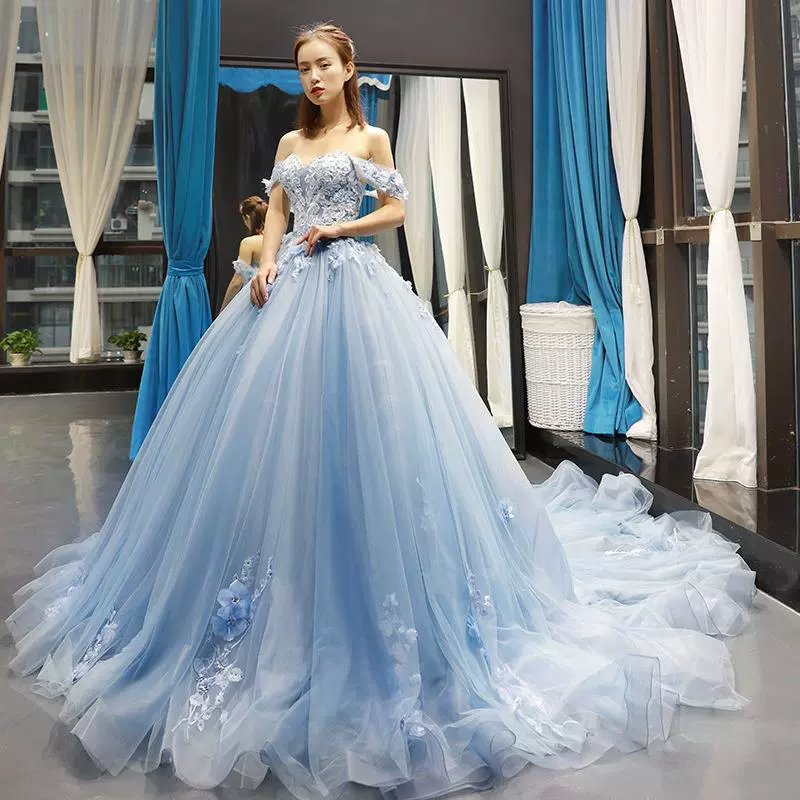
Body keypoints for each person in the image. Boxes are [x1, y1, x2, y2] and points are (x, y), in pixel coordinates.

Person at [6, 22, 755, 800]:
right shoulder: (291, 146)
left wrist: (341, 227)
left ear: (348, 68)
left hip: (357, 290)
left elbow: (397, 211)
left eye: (323, 65)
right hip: (289, 294)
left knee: (372, 438)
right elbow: (275, 212)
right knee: (268, 443)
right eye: (304, 67)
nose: (313, 77)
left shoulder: (371, 137)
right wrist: (266, 263)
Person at [219, 196, 268, 311]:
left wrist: (223, 309)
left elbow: (237, 281)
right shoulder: (279, 240)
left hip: (254, 299)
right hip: (274, 296)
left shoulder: (248, 243)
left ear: (247, 218)